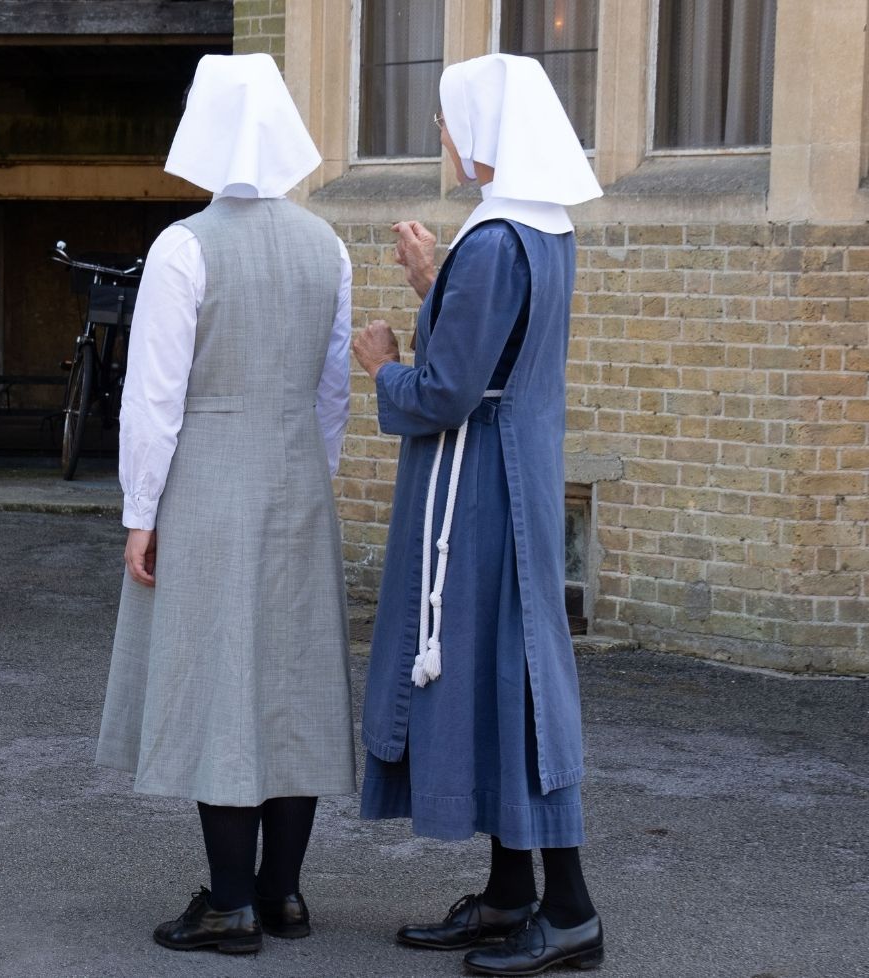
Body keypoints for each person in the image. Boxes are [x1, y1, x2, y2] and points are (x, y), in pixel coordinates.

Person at [349, 53, 605, 976]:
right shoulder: (534, 231)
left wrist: (381, 361)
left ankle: (569, 909)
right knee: (506, 675)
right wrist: (434, 285)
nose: (444, 137)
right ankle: (510, 892)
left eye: (451, 122)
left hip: (484, 489)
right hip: (512, 474)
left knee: (520, 676)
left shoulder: (495, 242)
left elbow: (451, 391)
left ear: (488, 135)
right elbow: (492, 354)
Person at [94, 53, 356, 956]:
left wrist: (141, 509)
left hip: (207, 476)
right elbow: (332, 393)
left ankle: (231, 901)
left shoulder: (183, 246)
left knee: (220, 682)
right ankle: (283, 895)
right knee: (292, 678)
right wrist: (312, 473)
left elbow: (154, 395)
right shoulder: (330, 246)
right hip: (295, 476)